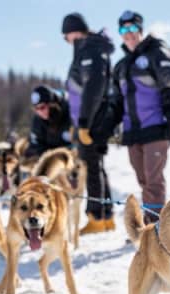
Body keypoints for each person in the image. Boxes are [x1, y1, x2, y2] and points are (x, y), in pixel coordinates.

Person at [111, 10, 170, 224]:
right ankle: (152, 220)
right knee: (143, 180)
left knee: (153, 180)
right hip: (133, 132)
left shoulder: (156, 52)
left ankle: (155, 226)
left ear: (140, 30)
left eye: (133, 28)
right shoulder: (122, 66)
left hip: (155, 127)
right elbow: (116, 102)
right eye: (124, 29)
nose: (129, 33)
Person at [61, 12, 115, 234]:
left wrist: (83, 123)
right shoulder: (87, 49)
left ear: (79, 30)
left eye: (69, 33)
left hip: (92, 122)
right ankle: (106, 217)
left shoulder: (90, 50)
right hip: (88, 121)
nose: (67, 39)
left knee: (90, 168)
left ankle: (96, 217)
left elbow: (93, 89)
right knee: (96, 167)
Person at [24, 85, 73, 157]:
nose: (40, 112)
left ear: (51, 104)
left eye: (42, 107)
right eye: (36, 109)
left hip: (71, 156)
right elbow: (35, 145)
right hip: (52, 158)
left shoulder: (72, 113)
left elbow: (82, 144)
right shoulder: (38, 121)